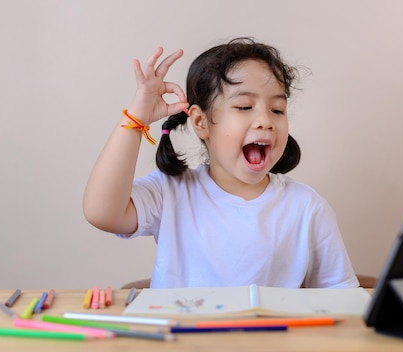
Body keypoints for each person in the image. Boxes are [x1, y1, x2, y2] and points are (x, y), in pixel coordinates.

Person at [83, 37, 359, 289]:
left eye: (277, 110)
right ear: (202, 123)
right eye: (244, 107)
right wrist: (137, 117)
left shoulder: (307, 207)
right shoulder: (172, 192)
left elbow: (341, 294)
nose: (266, 120)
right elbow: (101, 212)